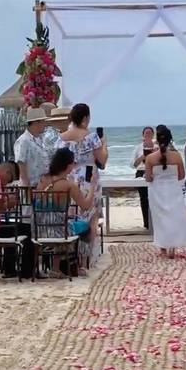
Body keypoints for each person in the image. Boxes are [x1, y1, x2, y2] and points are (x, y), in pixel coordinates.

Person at [56, 103, 108, 264]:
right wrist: (104, 144)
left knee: (72, 216)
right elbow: (102, 160)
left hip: (70, 177)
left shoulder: (62, 137)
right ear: (85, 118)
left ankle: (71, 254)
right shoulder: (91, 137)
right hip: (88, 177)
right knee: (91, 218)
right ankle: (85, 257)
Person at [145, 125, 186, 257]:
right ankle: (173, 246)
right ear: (170, 140)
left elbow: (148, 178)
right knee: (174, 217)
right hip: (173, 190)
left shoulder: (150, 158)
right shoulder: (176, 156)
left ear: (157, 140)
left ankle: (163, 247)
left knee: (160, 219)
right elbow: (182, 175)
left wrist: (158, 178)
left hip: (157, 191)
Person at [14, 107, 50, 188]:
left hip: (44, 186)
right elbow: (22, 169)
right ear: (36, 123)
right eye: (43, 121)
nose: (45, 124)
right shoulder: (23, 141)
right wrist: (26, 190)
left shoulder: (41, 139)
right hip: (31, 187)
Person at [132, 126, 156, 229]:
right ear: (143, 135)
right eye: (146, 133)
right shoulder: (139, 147)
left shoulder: (156, 147)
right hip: (141, 172)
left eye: (150, 133)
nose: (148, 135)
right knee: (144, 199)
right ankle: (146, 223)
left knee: (154, 198)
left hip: (154, 172)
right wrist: (143, 156)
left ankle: (155, 222)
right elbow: (133, 164)